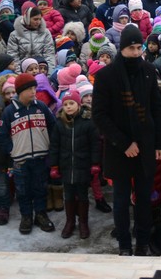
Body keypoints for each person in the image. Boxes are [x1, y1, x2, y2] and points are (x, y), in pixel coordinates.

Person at [93, 23, 161, 255]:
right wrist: (124, 143)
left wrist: (160, 143)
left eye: (139, 47)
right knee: (122, 201)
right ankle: (124, 245)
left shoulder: (147, 70)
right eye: (131, 48)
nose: (136, 52)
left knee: (145, 200)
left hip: (145, 147)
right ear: (122, 48)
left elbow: (156, 107)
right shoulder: (106, 75)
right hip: (120, 149)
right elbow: (100, 115)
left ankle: (143, 243)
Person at [0, 72, 56, 234]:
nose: (33, 92)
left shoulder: (41, 107)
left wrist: (51, 148)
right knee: (23, 190)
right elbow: (2, 135)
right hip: (20, 160)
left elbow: (53, 127)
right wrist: (12, 151)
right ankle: (26, 216)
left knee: (40, 187)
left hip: (40, 157)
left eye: (34, 88)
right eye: (29, 89)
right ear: (20, 91)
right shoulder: (9, 111)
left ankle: (41, 214)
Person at [50, 88, 97, 240]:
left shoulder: (88, 122)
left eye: (72, 103)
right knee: (68, 194)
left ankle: (83, 222)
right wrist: (54, 165)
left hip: (82, 164)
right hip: (65, 165)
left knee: (83, 194)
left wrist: (95, 163)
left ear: (78, 104)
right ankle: (70, 221)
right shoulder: (59, 123)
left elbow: (95, 144)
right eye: (65, 104)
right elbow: (54, 145)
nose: (68, 107)